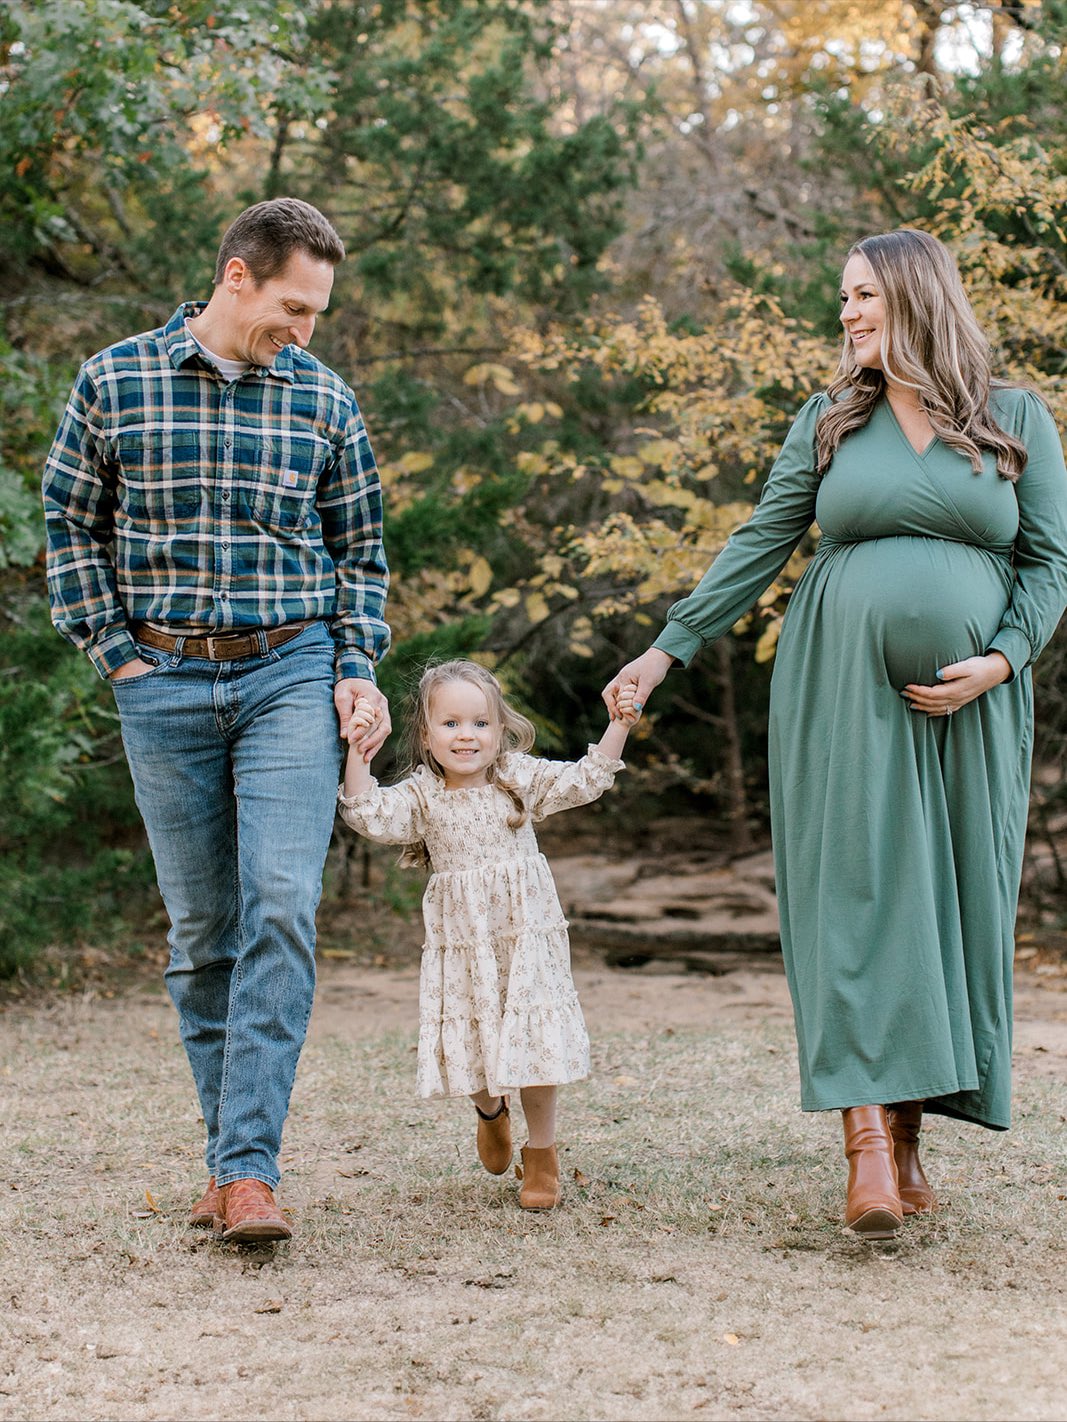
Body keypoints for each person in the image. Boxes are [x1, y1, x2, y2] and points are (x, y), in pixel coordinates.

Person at [603, 228, 1067, 1239]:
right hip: (840, 685)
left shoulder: (1014, 417)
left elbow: (1047, 566)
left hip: (976, 701)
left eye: (862, 296)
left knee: (950, 894)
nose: (847, 314)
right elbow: (760, 538)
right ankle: (860, 1136)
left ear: (912, 296)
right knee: (855, 886)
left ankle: (908, 1130)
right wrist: (663, 650)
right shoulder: (824, 421)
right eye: (842, 300)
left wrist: (998, 660)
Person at [42, 197, 391, 1244]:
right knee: (201, 937)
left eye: (319, 311)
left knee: (279, 906)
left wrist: (354, 667)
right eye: (294, 305)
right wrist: (114, 654)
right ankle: (225, 1155)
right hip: (162, 682)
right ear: (235, 276)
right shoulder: (115, 381)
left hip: (289, 673)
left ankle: (248, 1173)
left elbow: (360, 554)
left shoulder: (324, 401)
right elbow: (67, 518)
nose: (305, 328)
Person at [337, 660, 640, 1210]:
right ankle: (489, 1111)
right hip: (464, 938)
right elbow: (367, 814)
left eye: (479, 723)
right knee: (475, 1037)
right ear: (427, 734)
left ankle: (542, 1155)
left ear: (500, 731)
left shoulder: (517, 778)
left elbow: (587, 778)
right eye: (450, 724)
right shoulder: (423, 795)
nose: (466, 736)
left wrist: (619, 722)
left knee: (535, 1042)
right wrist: (358, 753)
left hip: (526, 935)